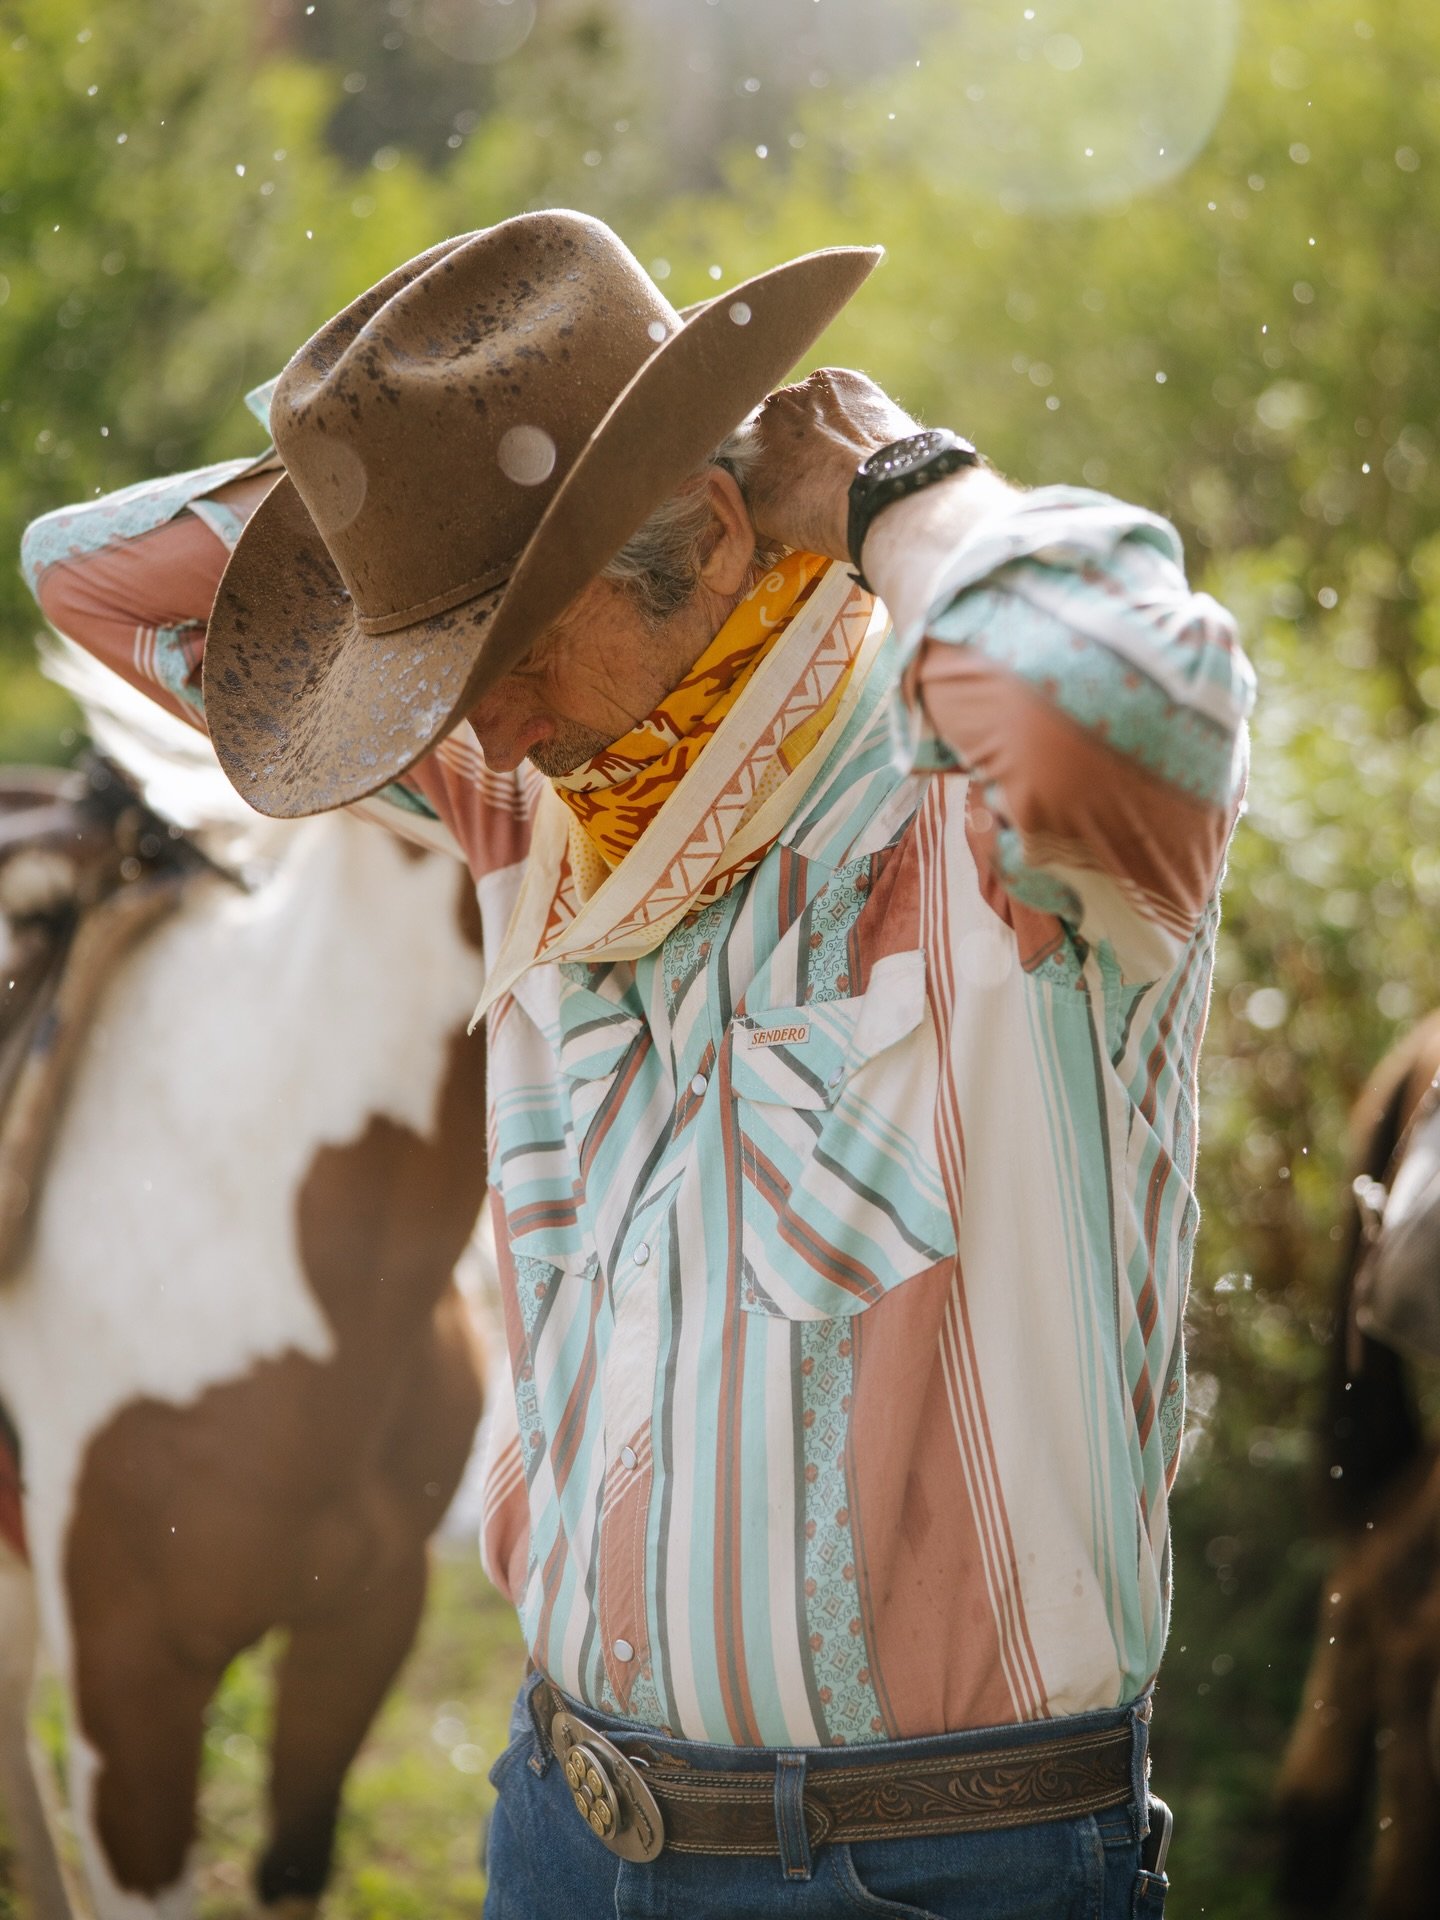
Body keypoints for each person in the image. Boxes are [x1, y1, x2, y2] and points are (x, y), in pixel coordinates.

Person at [21, 209, 1253, 1917]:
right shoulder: (529, 797)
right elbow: (86, 575)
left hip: (933, 1872)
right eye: (439, 681)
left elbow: (1127, 681)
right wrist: (402, 508)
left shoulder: (993, 820)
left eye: (506, 653)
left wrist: (894, 483)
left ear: (703, 530)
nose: (484, 729)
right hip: (562, 1832)